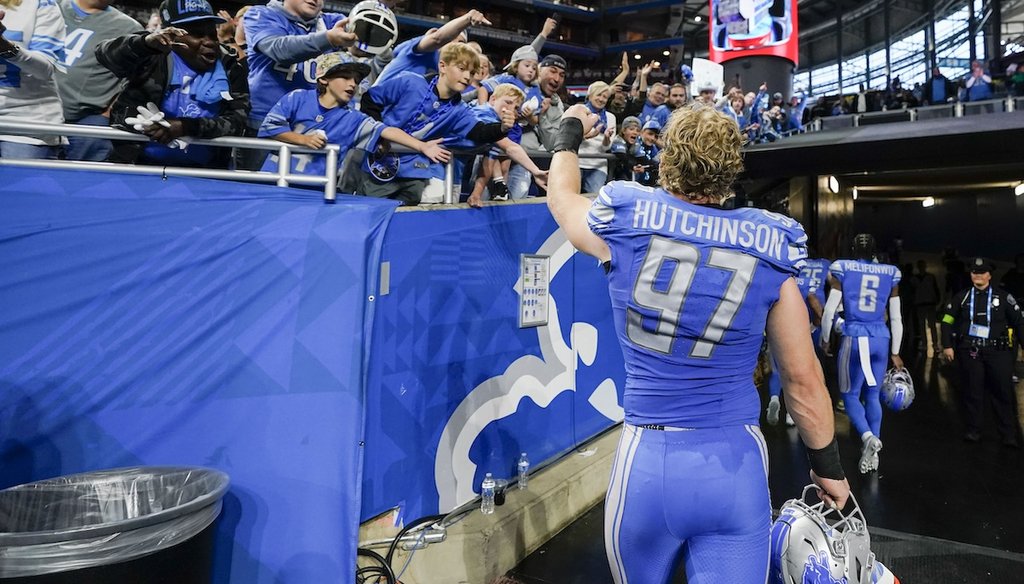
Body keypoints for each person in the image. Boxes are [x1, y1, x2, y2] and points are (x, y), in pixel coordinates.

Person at [546, 103, 850, 583]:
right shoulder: (768, 242)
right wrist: (827, 467)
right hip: (735, 465)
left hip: (648, 459)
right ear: (731, 170)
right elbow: (802, 378)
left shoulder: (628, 217)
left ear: (667, 158)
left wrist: (568, 134)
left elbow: (562, 199)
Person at [353, 42, 519, 205]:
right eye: (461, 69)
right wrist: (380, 136)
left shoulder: (459, 109)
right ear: (442, 66)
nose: (467, 76)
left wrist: (502, 128)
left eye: (472, 72)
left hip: (414, 172)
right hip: (379, 162)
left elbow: (479, 131)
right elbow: (371, 99)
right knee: (369, 208)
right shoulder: (410, 82)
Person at [96, 0, 249, 167]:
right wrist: (145, 44)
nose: (209, 42)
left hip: (204, 174)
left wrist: (185, 127)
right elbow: (105, 54)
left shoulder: (230, 66)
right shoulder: (151, 56)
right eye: (197, 34)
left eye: (212, 34)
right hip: (138, 166)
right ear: (171, 34)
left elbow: (237, 122)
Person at [257, 52, 449, 180]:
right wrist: (303, 140)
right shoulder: (298, 97)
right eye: (345, 77)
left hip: (315, 191)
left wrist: (422, 145)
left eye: (356, 80)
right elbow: (270, 127)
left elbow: (386, 130)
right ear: (324, 78)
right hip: (272, 180)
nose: (352, 84)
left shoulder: (353, 118)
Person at [820, 234, 904, 474]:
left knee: (850, 395)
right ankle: (875, 446)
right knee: (874, 395)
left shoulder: (843, 268)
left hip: (855, 335)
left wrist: (826, 339)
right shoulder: (891, 272)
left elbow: (829, 312)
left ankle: (868, 437)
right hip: (881, 337)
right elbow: (896, 317)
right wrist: (896, 352)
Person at [238, 0, 354, 169]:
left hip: (318, 129)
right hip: (266, 126)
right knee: (255, 191)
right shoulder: (261, 14)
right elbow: (280, 50)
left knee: (306, 192)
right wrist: (328, 38)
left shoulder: (332, 22)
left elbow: (365, 48)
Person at [941, 257, 1023, 446]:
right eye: (974, 273)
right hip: (971, 351)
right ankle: (973, 430)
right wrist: (947, 345)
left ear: (989, 275)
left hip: (998, 352)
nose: (977, 276)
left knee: (1002, 392)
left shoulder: (1003, 297)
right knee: (972, 391)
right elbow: (946, 320)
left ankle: (1008, 434)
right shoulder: (962, 297)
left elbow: (1019, 322)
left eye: (981, 273)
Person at [57, 0, 142, 162]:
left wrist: (107, 114)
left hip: (87, 120)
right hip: (34, 110)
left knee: (81, 181)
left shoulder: (130, 28)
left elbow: (136, 79)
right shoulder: (50, 7)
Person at [0, 0, 66, 159]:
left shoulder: (41, 4)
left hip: (25, 123)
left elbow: (45, 70)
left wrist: (5, 47)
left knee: (19, 182)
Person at [912, 259, 942, 355]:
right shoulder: (915, 278)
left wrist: (937, 299)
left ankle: (935, 344)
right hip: (921, 302)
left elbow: (935, 288)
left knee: (931, 325)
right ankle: (926, 343)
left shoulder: (929, 277)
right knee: (922, 325)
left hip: (929, 302)